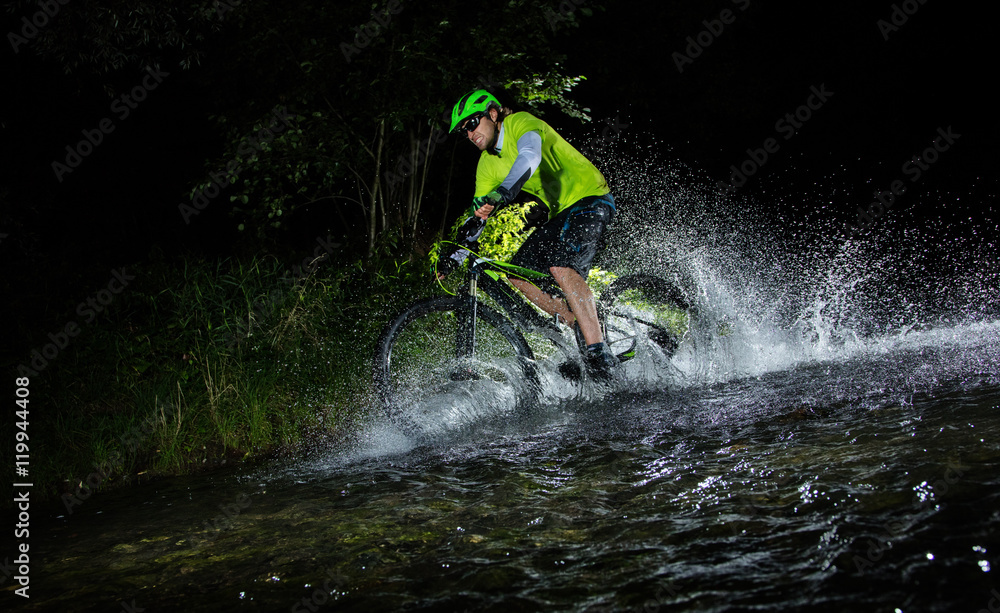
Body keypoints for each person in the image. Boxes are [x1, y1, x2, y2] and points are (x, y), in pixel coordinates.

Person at [441, 89, 619, 379]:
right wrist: (455, 254)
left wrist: (502, 192)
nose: (470, 133)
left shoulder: (521, 123)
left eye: (472, 123)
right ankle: (578, 323)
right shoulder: (487, 164)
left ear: (493, 114)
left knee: (561, 265)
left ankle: (599, 352)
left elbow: (529, 157)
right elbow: (478, 218)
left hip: (590, 196)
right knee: (518, 274)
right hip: (561, 212)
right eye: (464, 131)